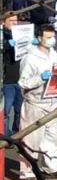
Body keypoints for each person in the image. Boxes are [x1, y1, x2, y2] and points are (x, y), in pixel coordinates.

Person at [17, 25, 57, 180]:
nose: (51, 40)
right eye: (47, 37)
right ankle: (27, 173)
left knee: (52, 138)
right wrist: (41, 78)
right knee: (31, 140)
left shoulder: (54, 55)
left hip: (52, 101)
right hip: (35, 102)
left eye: (52, 36)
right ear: (39, 38)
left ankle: (51, 167)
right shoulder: (30, 58)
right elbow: (23, 83)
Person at [3, 12, 23, 140]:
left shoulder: (20, 33)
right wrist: (6, 45)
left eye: (16, 20)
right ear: (3, 22)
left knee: (20, 109)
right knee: (5, 111)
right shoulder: (2, 34)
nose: (15, 23)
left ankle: (17, 133)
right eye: (11, 20)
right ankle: (5, 135)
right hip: (7, 80)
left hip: (20, 78)